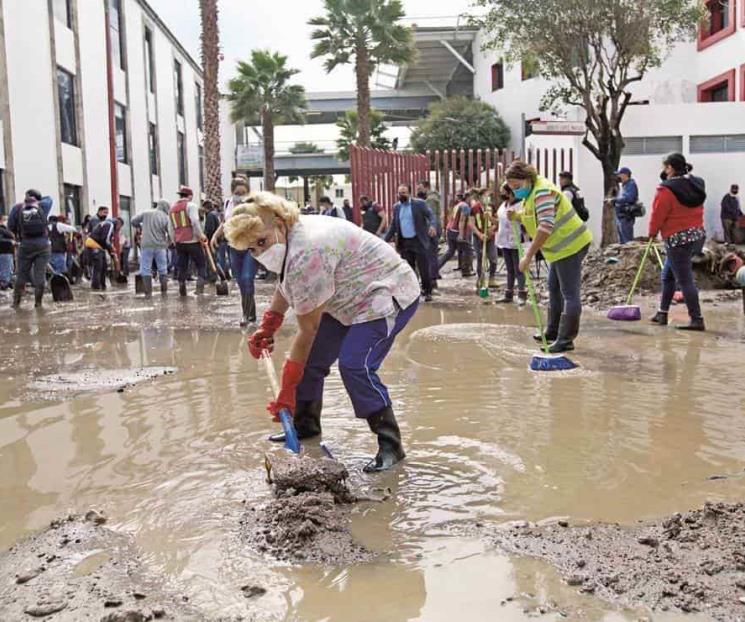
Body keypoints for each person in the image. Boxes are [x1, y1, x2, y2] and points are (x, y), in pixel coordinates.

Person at [224, 192, 420, 472]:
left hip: (384, 293)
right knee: (313, 360)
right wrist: (270, 324)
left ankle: (391, 445)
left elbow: (308, 329)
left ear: (279, 224)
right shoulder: (290, 238)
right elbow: (287, 283)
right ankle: (306, 426)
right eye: (252, 249)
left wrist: (287, 391)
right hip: (344, 297)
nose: (260, 252)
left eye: (262, 242)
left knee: (356, 365)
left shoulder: (307, 249)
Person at [505, 161, 593, 353]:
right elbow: (532, 214)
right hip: (558, 249)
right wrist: (518, 216)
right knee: (553, 287)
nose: (515, 191)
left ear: (527, 179)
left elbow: (545, 225)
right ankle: (553, 331)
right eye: (512, 188)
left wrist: (528, 256)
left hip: (571, 245)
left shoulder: (542, 191)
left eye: (517, 186)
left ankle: (566, 339)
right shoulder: (532, 192)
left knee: (569, 294)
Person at [648, 153, 707, 331]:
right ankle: (662, 313)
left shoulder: (665, 190)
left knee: (685, 280)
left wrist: (651, 233)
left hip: (677, 239)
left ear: (670, 168)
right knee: (668, 275)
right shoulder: (697, 184)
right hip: (696, 236)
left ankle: (697, 319)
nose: (664, 171)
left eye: (665, 167)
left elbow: (658, 214)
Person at [213, 177, 258, 326]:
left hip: (250, 247)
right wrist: (215, 236)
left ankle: (247, 316)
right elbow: (225, 223)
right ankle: (250, 314)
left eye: (244, 192)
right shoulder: (228, 203)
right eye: (238, 192)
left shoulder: (253, 204)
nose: (241, 195)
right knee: (240, 281)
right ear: (232, 192)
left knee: (247, 278)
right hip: (233, 248)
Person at [385, 183, 436, 302]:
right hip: (405, 243)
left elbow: (431, 215)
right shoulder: (396, 207)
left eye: (403, 193)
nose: (401, 195)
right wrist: (383, 241)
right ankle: (414, 292)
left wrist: (432, 226)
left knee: (423, 268)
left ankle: (427, 291)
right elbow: (393, 226)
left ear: (409, 193)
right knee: (409, 270)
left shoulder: (419, 204)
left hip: (419, 241)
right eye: (399, 193)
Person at [8, 189, 51, 308]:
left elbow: (10, 226)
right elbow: (49, 198)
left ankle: (16, 303)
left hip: (25, 244)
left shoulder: (17, 208)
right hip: (43, 245)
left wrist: (18, 235)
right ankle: (38, 303)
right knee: (40, 275)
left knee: (21, 274)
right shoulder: (43, 205)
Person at [169, 186, 207, 297]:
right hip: (193, 241)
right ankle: (199, 291)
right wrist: (201, 235)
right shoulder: (191, 206)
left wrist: (174, 241)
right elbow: (195, 221)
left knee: (182, 267)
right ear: (190, 196)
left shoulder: (172, 208)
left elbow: (170, 227)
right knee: (201, 265)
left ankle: (182, 291)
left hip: (180, 243)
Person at [132, 200, 172, 297]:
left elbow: (133, 221)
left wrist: (140, 226)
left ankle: (148, 294)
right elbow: (170, 233)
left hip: (146, 245)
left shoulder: (146, 213)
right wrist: (168, 243)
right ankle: (164, 293)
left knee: (145, 268)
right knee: (163, 269)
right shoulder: (166, 218)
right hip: (160, 246)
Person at [495, 184, 526, 304]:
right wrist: (491, 219)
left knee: (519, 269)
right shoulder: (503, 205)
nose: (502, 194)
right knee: (509, 269)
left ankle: (522, 295)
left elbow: (525, 219)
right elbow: (500, 220)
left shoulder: (521, 204)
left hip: (516, 240)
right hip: (504, 241)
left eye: (503, 192)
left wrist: (516, 216)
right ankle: (508, 294)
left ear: (511, 192)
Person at [469, 188, 498, 290]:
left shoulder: (492, 207)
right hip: (478, 238)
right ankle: (480, 279)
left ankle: (492, 278)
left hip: (490, 237)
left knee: (493, 258)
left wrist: (492, 229)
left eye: (489, 196)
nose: (488, 198)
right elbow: (471, 224)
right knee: (480, 258)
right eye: (486, 196)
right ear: (480, 197)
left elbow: (497, 222)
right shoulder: (474, 208)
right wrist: (480, 234)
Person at [437, 193, 472, 276]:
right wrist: (461, 234)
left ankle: (435, 268)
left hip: (450, 230)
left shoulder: (457, 205)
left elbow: (451, 218)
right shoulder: (465, 206)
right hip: (456, 231)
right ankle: (466, 270)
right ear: (467, 198)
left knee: (450, 251)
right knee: (468, 250)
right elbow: (462, 220)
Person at [87, 216, 123, 290]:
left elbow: (106, 240)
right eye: (120, 227)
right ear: (118, 224)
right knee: (98, 267)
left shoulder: (106, 224)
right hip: (94, 245)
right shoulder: (110, 225)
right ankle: (96, 287)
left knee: (104, 266)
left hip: (99, 247)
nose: (119, 229)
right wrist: (111, 248)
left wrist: (112, 253)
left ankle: (102, 286)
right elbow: (105, 239)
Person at [418, 180, 442, 284]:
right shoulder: (432, 198)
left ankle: (432, 279)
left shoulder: (431, 200)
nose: (418, 191)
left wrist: (431, 228)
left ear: (426, 187)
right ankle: (433, 276)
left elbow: (431, 216)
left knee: (430, 255)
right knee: (432, 254)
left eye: (420, 188)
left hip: (432, 230)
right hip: (434, 228)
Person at [612, 167, 638, 244]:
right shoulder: (624, 185)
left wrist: (615, 200)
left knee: (627, 241)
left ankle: (629, 255)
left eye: (619, 174)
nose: (618, 177)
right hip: (620, 216)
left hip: (626, 217)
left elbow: (630, 198)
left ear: (625, 175)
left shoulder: (631, 184)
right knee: (622, 241)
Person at [0, 215, 15, 290]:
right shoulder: (2, 230)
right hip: (4, 252)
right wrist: (10, 242)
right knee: (5, 270)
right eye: (5, 219)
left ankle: (7, 283)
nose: (7, 221)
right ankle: (4, 284)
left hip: (8, 252)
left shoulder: (6, 229)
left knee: (8, 269)